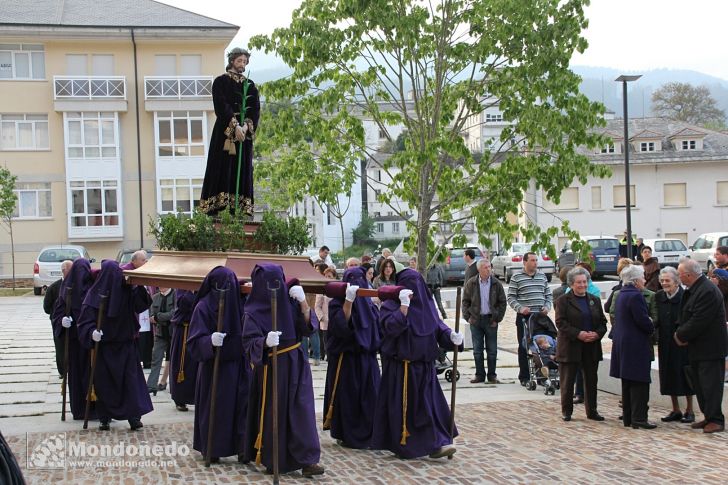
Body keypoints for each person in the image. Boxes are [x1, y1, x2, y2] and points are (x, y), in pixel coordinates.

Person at [371, 268, 464, 459]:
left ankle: (436, 443)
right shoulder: (391, 305)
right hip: (401, 369)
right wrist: (403, 309)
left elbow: (438, 327)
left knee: (429, 409)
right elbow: (389, 329)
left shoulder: (428, 306)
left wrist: (451, 337)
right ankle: (418, 445)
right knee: (408, 411)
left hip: (425, 368)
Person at [242, 264, 324, 477]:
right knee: (274, 412)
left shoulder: (291, 302)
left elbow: (308, 329)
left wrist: (304, 303)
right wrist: (265, 343)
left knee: (302, 411)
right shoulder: (252, 312)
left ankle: (308, 459)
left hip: (296, 362)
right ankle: (274, 457)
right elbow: (249, 343)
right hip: (273, 368)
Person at [77, 260, 153, 431]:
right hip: (104, 348)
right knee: (105, 384)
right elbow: (84, 322)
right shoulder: (94, 295)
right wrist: (92, 333)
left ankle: (134, 416)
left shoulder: (126, 291)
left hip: (126, 345)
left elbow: (142, 305)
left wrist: (138, 286)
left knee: (130, 383)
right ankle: (104, 418)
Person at [187, 266, 250, 461]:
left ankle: (242, 447)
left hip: (238, 365)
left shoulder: (238, 304)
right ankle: (213, 447)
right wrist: (209, 341)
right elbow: (193, 342)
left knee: (242, 407)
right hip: (213, 367)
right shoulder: (203, 307)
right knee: (217, 409)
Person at [323, 266, 381, 448]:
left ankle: (371, 433)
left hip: (367, 360)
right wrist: (348, 302)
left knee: (370, 398)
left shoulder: (369, 306)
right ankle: (347, 434)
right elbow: (340, 328)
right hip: (346, 360)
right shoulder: (336, 303)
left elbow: (376, 331)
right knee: (348, 398)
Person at [199, 47, 260, 216]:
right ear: (232, 61)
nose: (242, 64)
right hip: (224, 135)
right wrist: (235, 127)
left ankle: (238, 210)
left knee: (242, 171)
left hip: (243, 139)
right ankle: (217, 207)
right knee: (221, 167)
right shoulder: (220, 82)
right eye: (239, 60)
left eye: (245, 61)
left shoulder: (251, 86)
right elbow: (221, 106)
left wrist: (246, 127)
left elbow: (255, 110)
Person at [675, 258, 727, 434]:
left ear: (689, 275)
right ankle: (708, 416)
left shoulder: (707, 291)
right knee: (700, 385)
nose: (679, 278)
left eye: (680, 275)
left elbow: (699, 320)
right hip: (697, 347)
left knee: (711, 385)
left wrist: (681, 335)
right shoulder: (695, 289)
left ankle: (716, 420)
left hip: (710, 349)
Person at [555, 266, 608, 422]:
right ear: (572, 284)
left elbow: (603, 322)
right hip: (571, 346)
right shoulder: (563, 301)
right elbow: (561, 323)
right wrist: (578, 334)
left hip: (590, 347)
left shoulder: (594, 299)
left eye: (585, 282)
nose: (582, 285)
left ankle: (592, 410)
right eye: (579, 283)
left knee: (591, 380)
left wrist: (597, 334)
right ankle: (567, 410)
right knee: (568, 380)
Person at [609, 265, 657, 429]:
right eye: (642, 277)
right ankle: (639, 418)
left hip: (624, 343)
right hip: (635, 345)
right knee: (639, 383)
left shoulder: (622, 294)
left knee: (628, 382)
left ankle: (629, 417)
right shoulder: (636, 296)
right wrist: (651, 326)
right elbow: (643, 320)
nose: (644, 280)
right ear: (636, 281)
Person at [50, 258, 95, 420]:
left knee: (92, 376)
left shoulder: (92, 287)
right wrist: (62, 321)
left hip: (90, 343)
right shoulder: (66, 289)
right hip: (75, 342)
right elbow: (57, 312)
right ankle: (79, 409)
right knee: (77, 376)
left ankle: (95, 409)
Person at [654, 267, 695, 423]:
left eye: (667, 280)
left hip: (682, 343)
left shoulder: (686, 296)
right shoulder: (658, 297)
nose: (664, 283)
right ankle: (675, 409)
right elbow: (656, 318)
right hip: (665, 343)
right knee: (668, 374)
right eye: (662, 281)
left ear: (676, 281)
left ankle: (690, 410)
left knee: (685, 375)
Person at [507, 252, 553, 386]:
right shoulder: (516, 277)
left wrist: (547, 306)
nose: (535, 263)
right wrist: (520, 308)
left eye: (536, 260)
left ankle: (542, 374)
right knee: (524, 346)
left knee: (543, 345)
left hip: (540, 317)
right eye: (532, 260)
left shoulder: (542, 276)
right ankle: (525, 376)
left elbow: (548, 295)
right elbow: (510, 297)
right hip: (525, 317)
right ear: (525, 262)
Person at [461, 259, 506, 384]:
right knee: (477, 350)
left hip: (491, 320)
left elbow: (502, 302)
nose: (488, 269)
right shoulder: (472, 283)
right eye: (485, 267)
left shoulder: (496, 283)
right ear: (479, 269)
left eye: (489, 267)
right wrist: (468, 317)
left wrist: (497, 318)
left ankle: (492, 375)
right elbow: (465, 301)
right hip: (476, 320)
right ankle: (479, 375)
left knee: (492, 350)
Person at [121, 250, 153, 368]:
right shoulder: (127, 271)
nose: (146, 262)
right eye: (143, 260)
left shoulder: (141, 271)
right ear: (133, 261)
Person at [168, 289, 197, 412]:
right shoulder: (181, 288)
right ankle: (180, 398)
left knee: (196, 366)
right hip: (184, 330)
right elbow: (184, 303)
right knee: (181, 364)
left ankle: (196, 397)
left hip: (198, 327)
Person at [43, 259, 73, 378]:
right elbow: (46, 307)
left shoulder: (77, 285)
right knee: (60, 346)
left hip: (74, 323)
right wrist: (57, 317)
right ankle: (63, 371)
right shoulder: (54, 288)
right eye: (70, 270)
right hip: (58, 323)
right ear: (63, 271)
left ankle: (73, 368)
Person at [146, 287, 176, 395]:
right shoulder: (155, 298)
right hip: (160, 334)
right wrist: (161, 317)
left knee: (174, 361)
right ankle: (151, 386)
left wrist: (158, 317)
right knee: (156, 359)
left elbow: (174, 313)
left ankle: (174, 387)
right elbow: (151, 316)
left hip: (174, 334)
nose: (160, 286)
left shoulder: (175, 295)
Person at [315, 266, 337, 362]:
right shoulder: (321, 289)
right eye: (326, 276)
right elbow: (317, 306)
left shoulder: (338, 288)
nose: (328, 278)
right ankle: (326, 355)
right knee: (326, 340)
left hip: (336, 320)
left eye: (330, 276)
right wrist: (322, 318)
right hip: (326, 320)